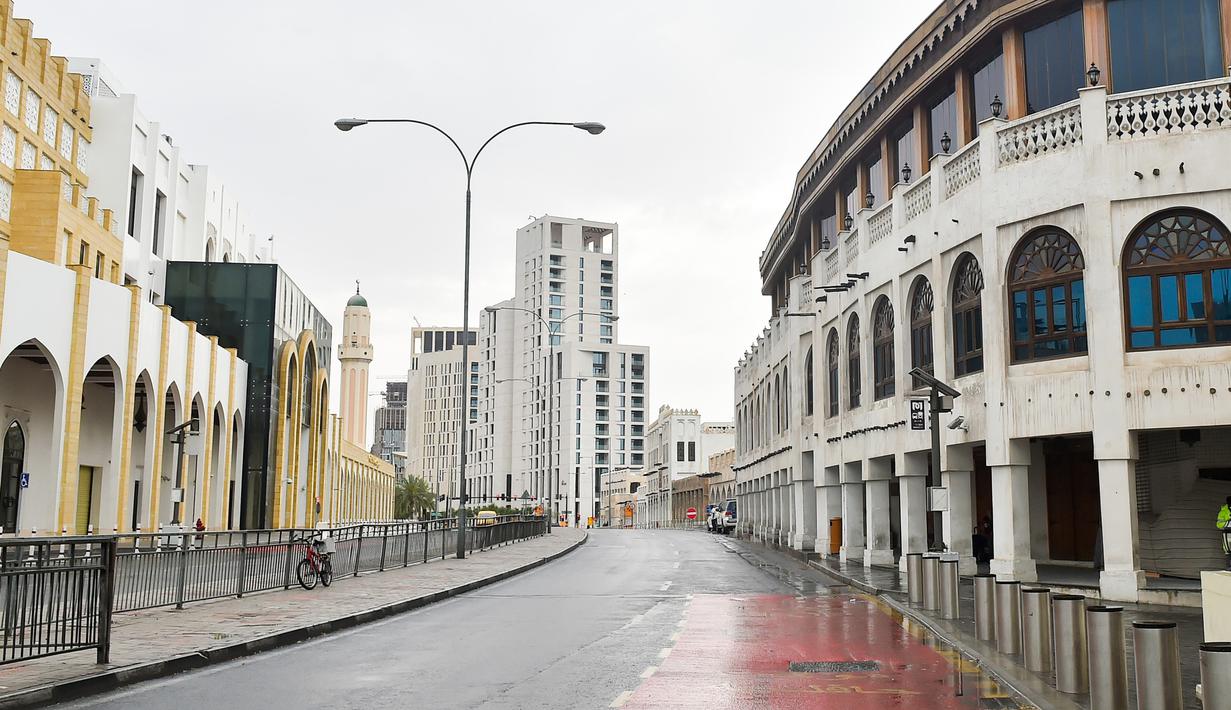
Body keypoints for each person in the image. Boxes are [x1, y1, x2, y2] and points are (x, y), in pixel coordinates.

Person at [1219, 496, 1231, 570]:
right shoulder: (1223, 511)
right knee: (1228, 550)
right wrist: (1228, 523)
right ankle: (1229, 567)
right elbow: (1219, 524)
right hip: (1227, 533)